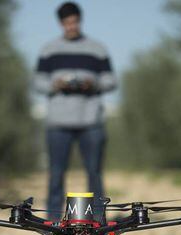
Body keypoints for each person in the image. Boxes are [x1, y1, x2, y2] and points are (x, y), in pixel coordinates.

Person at [34, 2, 117, 221]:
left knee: (95, 174)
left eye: (74, 21)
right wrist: (56, 84)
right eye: (67, 22)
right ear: (61, 23)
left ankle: (98, 221)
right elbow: (37, 83)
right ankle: (51, 222)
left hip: (91, 122)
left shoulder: (97, 49)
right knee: (56, 175)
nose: (71, 26)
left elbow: (111, 81)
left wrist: (94, 84)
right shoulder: (49, 49)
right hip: (58, 124)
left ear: (80, 20)